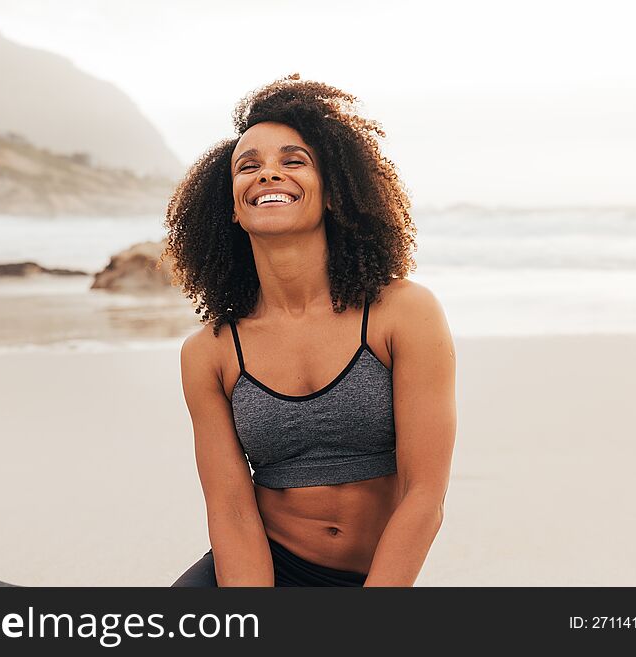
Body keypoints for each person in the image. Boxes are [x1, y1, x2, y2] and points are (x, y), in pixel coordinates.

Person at [162, 73, 456, 587]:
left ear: (333, 191)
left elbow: (423, 496)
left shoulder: (403, 313)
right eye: (247, 167)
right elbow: (231, 510)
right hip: (259, 569)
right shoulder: (209, 352)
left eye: (293, 161)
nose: (268, 175)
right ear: (232, 205)